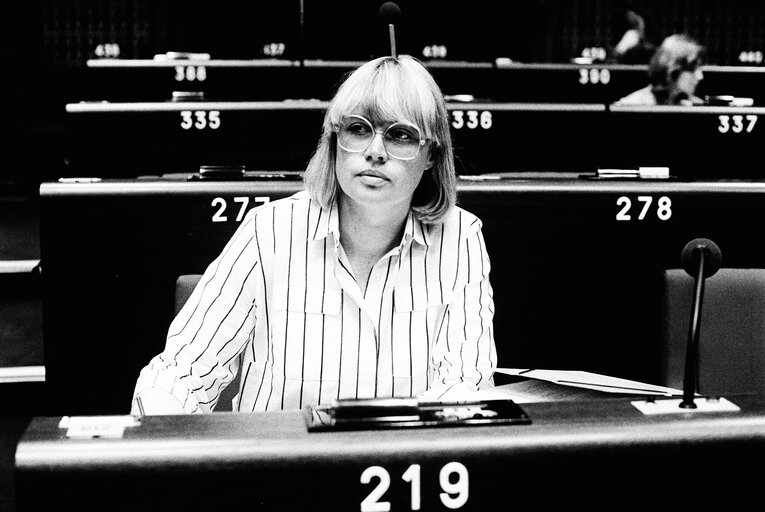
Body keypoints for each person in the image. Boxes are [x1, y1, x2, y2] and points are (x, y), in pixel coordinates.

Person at [131, 55, 497, 415]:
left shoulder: (460, 237)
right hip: (276, 467)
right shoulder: (270, 231)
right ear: (335, 140)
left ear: (432, 153)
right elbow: (182, 373)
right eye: (358, 129)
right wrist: (158, 436)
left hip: (401, 468)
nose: (374, 152)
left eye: (400, 135)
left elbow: (464, 389)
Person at [614, 33, 705, 106]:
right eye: (692, 69)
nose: (700, 76)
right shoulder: (631, 107)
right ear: (673, 71)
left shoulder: (694, 106)